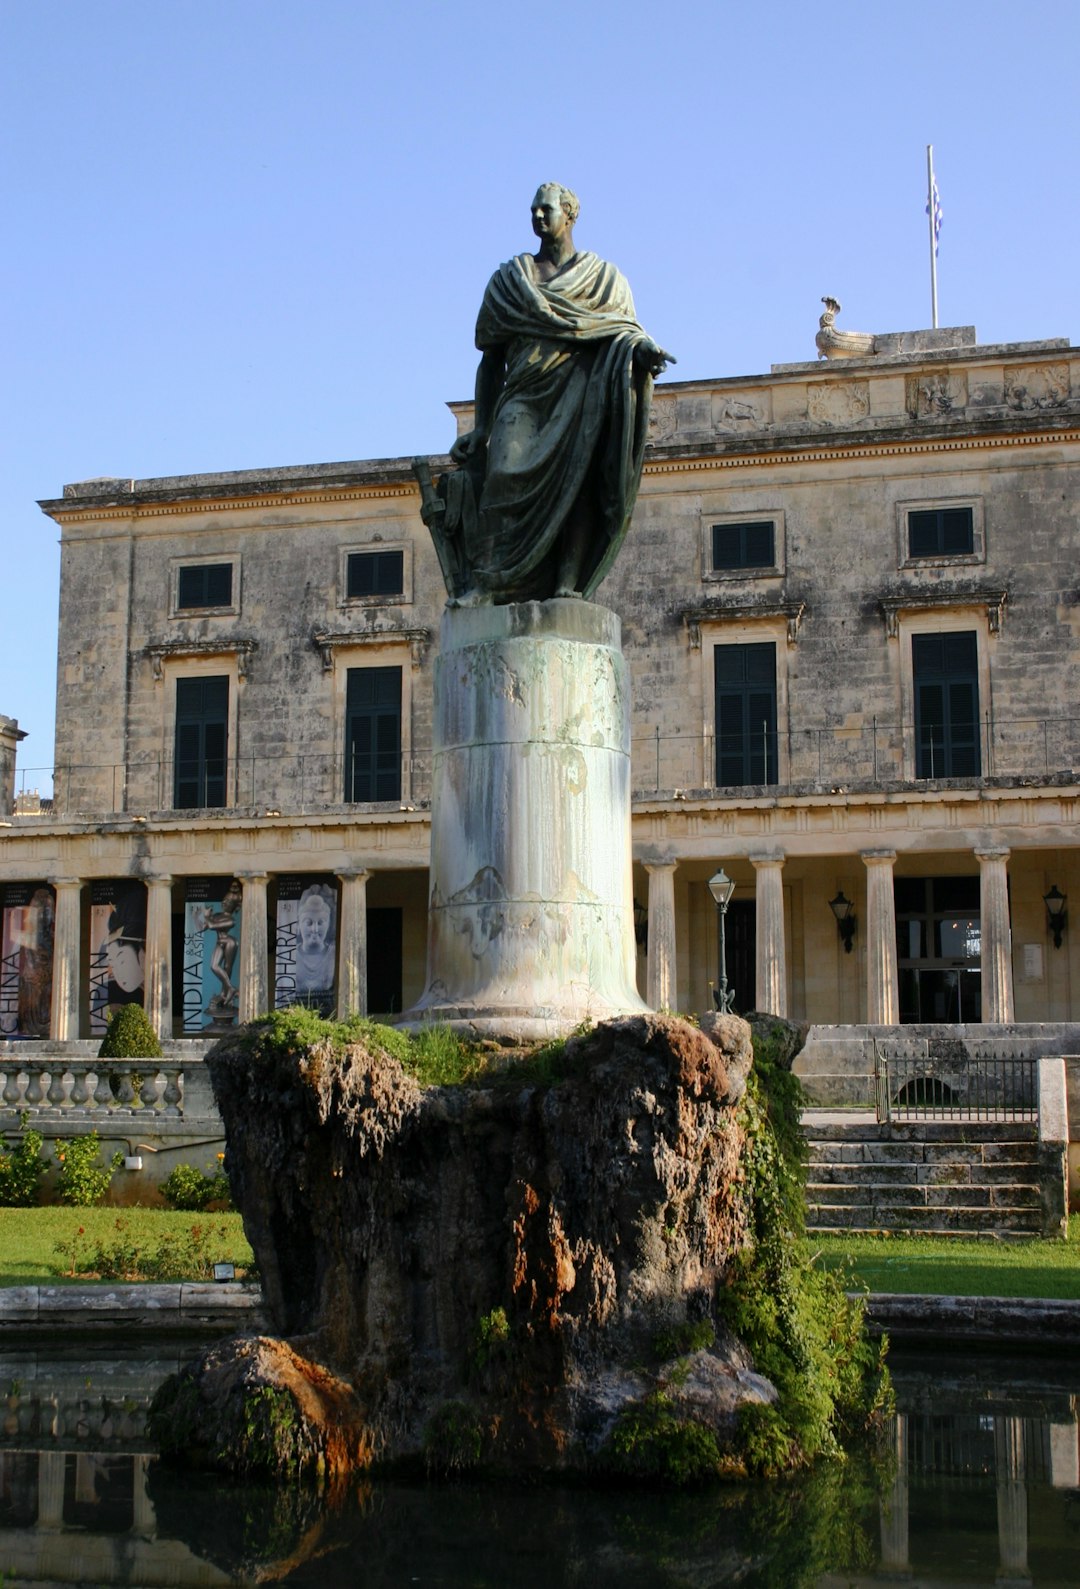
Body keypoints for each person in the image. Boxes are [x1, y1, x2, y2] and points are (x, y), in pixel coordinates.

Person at [417, 183, 673, 604]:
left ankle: (565, 585)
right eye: (533, 210)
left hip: (580, 396)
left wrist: (641, 351)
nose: (538, 216)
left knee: (578, 487)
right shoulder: (510, 282)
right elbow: (491, 360)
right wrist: (482, 428)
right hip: (522, 396)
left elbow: (624, 334)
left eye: (546, 209)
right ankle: (489, 584)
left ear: (570, 215)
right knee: (502, 478)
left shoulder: (604, 280)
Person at [294, 883, 336, 996]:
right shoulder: (291, 954)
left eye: (321, 922)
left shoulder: (334, 953)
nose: (315, 929)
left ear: (329, 924)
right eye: (308, 922)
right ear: (299, 925)